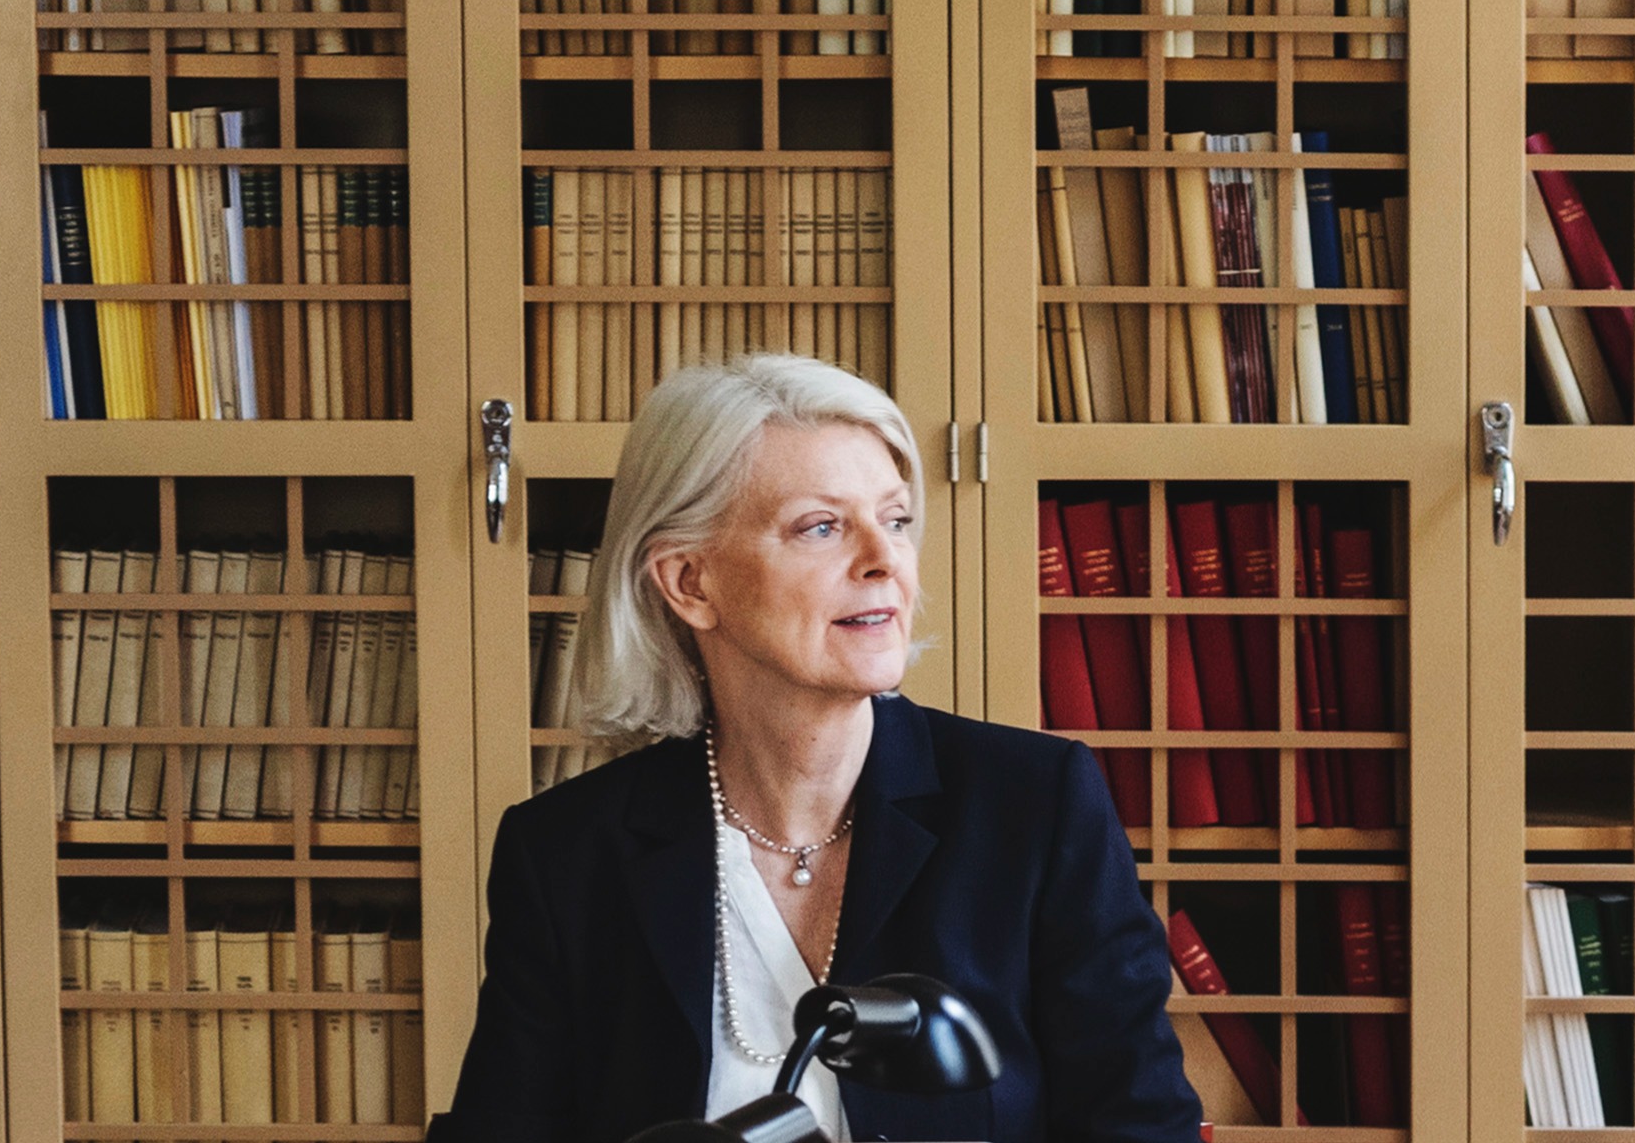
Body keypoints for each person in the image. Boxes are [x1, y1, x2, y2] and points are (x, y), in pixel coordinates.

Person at [427, 355, 1204, 1143]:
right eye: (821, 527)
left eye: (895, 519)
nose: (883, 559)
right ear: (690, 582)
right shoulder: (566, 854)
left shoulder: (1037, 806)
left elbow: (1143, 1126)